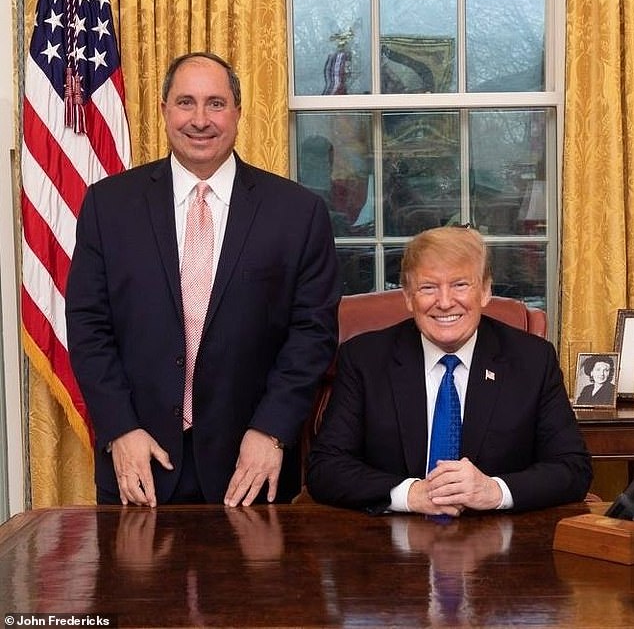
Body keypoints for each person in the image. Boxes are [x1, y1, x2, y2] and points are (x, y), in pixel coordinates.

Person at [66, 52, 340, 507]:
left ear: (238, 112)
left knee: (257, 582)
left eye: (215, 103)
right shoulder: (107, 206)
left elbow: (312, 333)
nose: (199, 120)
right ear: (163, 110)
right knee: (132, 582)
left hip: (251, 465)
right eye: (185, 102)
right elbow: (88, 325)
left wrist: (272, 430)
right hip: (140, 461)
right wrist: (119, 428)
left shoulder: (297, 212)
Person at [306, 226, 592, 515]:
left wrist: (494, 491)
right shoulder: (364, 359)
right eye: (428, 287)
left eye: (460, 285)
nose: (444, 303)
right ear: (408, 296)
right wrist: (410, 494)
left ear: (485, 291)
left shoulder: (532, 360)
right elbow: (326, 468)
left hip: (500, 542)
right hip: (389, 539)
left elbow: (572, 468)